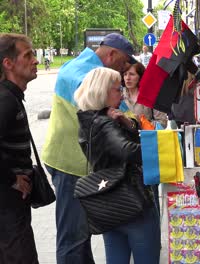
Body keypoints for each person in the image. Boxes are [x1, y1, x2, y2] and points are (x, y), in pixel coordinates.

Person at [41, 33, 137, 264]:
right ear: (111, 54)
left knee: (81, 234)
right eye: (123, 62)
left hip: (81, 165)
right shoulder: (81, 73)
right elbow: (102, 103)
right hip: (69, 165)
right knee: (72, 238)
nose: (125, 70)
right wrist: (128, 117)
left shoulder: (88, 69)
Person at [74, 67, 160, 264]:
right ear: (102, 91)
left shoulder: (87, 119)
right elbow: (127, 150)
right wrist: (159, 149)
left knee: (115, 257)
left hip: (108, 202)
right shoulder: (106, 124)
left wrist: (128, 124)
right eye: (116, 89)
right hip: (133, 200)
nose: (121, 94)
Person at [0, 33, 39, 263]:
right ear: (9, 63)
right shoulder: (5, 100)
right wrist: (11, 179)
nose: (34, 60)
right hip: (7, 205)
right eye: (28, 55)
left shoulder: (10, 96)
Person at [122, 61, 167, 127]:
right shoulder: (119, 95)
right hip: (124, 136)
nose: (128, 78)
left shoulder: (152, 94)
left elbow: (162, 123)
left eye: (132, 74)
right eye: (125, 74)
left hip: (146, 136)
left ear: (140, 76)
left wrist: (141, 124)